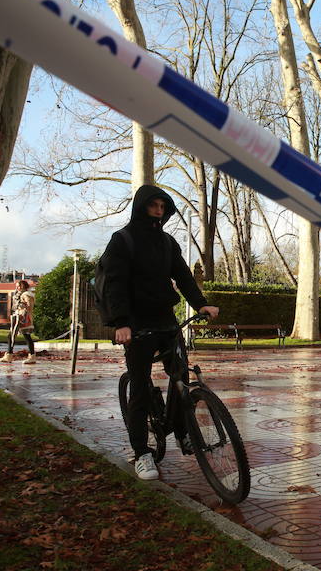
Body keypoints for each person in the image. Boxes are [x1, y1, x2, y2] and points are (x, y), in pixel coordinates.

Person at [100, 185, 219, 481]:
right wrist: (121, 323)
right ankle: (142, 453)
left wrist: (201, 304)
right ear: (142, 206)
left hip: (166, 320)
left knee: (181, 380)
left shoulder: (167, 242)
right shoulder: (123, 240)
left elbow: (183, 276)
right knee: (140, 389)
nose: (158, 210)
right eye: (153, 205)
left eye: (162, 206)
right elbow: (115, 283)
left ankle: (182, 432)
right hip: (136, 324)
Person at [0, 280, 36, 364]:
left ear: (23, 286)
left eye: (19, 286)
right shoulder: (21, 294)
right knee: (23, 336)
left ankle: (10, 355)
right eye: (16, 286)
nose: (17, 287)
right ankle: (30, 356)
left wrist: (22, 309)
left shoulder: (26, 294)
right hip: (21, 317)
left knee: (14, 336)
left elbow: (29, 306)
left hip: (23, 318)